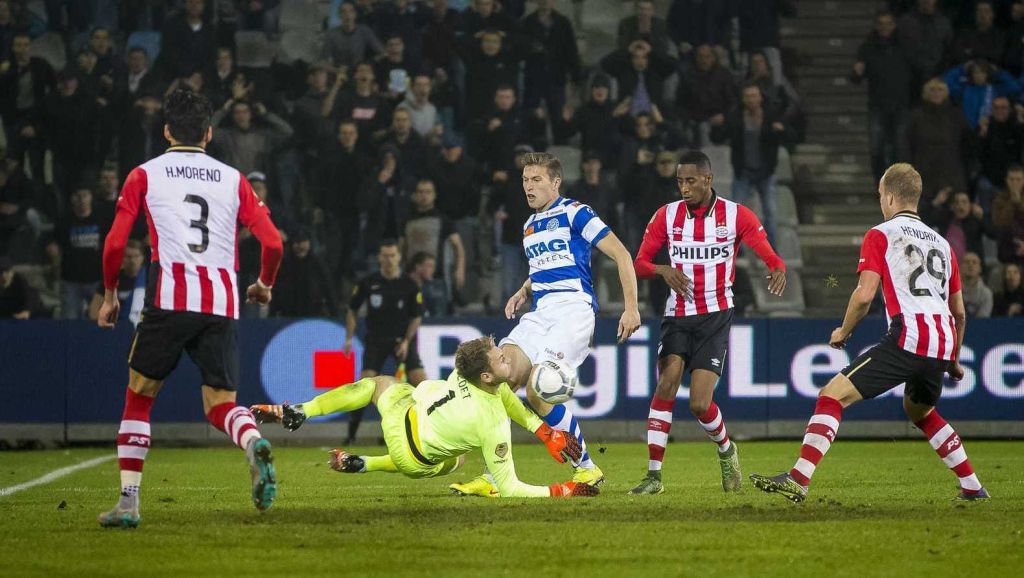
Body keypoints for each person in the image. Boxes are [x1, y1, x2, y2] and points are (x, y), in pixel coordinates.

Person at [96, 89, 285, 528]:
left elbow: (115, 243)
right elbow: (273, 242)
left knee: (139, 397)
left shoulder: (144, 174)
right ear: (209, 133)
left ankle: (128, 503)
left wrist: (110, 295)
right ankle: (253, 440)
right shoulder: (233, 178)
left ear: (166, 131)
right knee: (221, 404)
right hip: (221, 301)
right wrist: (263, 285)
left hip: (169, 297)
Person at [750, 163, 989, 502]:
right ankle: (973, 487)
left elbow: (864, 296)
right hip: (942, 341)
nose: (880, 202)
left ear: (889, 197)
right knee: (920, 412)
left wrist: (843, 331)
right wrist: (952, 360)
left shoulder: (881, 234)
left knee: (832, 395)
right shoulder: (943, 245)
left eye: (880, 196)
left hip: (910, 335)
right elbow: (960, 313)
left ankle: (798, 479)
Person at [450, 152, 642, 496]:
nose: (529, 186)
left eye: (536, 179)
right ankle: (495, 478)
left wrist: (631, 308)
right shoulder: (528, 225)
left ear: (555, 182)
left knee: (539, 392)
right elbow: (543, 267)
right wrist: (523, 290)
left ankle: (586, 469)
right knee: (498, 379)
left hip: (574, 310)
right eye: (525, 180)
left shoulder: (576, 212)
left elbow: (622, 254)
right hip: (540, 312)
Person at [251, 336, 598, 498]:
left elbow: (505, 395)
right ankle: (367, 464)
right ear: (487, 377)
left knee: (377, 384)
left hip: (405, 413)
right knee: (457, 460)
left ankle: (303, 411)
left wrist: (543, 431)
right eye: (502, 359)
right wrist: (563, 490)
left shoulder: (465, 372)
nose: (509, 358)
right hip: (414, 460)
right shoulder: (491, 423)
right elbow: (509, 488)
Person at [628, 150, 787, 495]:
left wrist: (778, 268)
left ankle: (727, 449)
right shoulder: (666, 216)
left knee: (700, 403)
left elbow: (768, 252)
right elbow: (639, 262)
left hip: (715, 316)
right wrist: (661, 269)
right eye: (679, 182)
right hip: (677, 315)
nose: (683, 188)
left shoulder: (736, 215)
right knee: (666, 384)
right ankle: (654, 476)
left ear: (708, 180)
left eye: (690, 181)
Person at [344, 240, 426, 444]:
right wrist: (348, 338)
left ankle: (426, 432)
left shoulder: (408, 284)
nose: (389, 259)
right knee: (365, 386)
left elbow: (416, 316)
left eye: (392, 255)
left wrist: (407, 341)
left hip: (402, 341)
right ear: (379, 258)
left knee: (421, 383)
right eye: (385, 255)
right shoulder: (368, 282)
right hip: (376, 341)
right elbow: (352, 310)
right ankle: (351, 435)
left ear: (399, 257)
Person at [88, 239, 147, 326]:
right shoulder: (112, 279)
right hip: (117, 328)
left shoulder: (151, 278)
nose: (132, 261)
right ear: (122, 258)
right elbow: (95, 307)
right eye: (128, 257)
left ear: (143, 258)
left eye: (136, 256)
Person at [959, 252, 992, 318]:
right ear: (959, 267)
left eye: (974, 262)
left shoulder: (986, 293)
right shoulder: (950, 291)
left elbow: (983, 319)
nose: (970, 265)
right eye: (967, 262)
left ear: (980, 268)